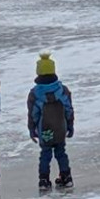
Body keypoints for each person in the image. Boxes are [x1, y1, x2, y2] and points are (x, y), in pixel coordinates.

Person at [27, 54, 74, 190]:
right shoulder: (62, 90)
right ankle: (66, 177)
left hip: (45, 130)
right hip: (60, 128)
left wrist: (32, 129)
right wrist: (70, 125)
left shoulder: (35, 94)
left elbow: (33, 114)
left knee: (45, 153)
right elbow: (68, 110)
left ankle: (44, 179)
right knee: (61, 152)